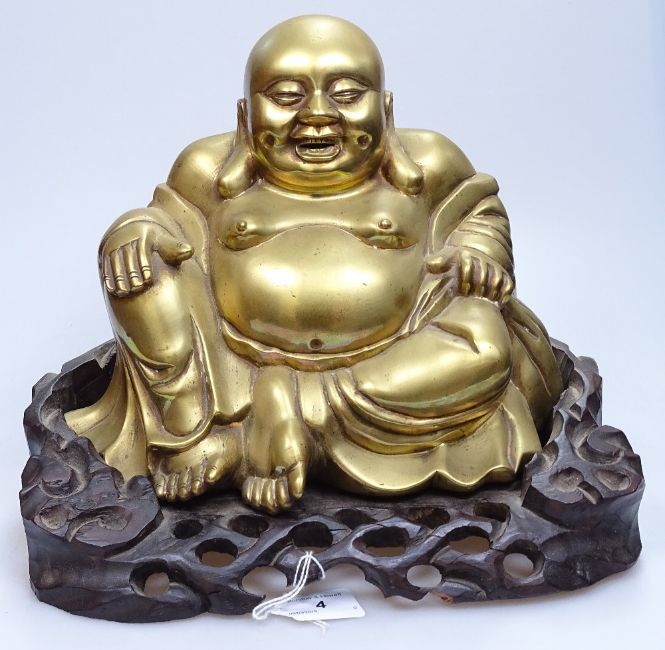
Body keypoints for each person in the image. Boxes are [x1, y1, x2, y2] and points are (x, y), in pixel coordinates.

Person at [66, 15, 562, 513]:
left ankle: (284, 417)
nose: (318, 114)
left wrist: (478, 251)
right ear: (245, 116)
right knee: (140, 267)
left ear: (386, 109)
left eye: (347, 94)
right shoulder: (205, 170)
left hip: (398, 359)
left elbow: (478, 210)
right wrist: (134, 229)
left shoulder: (431, 162)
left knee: (485, 345)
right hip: (233, 367)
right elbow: (165, 222)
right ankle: (193, 432)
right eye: (286, 97)